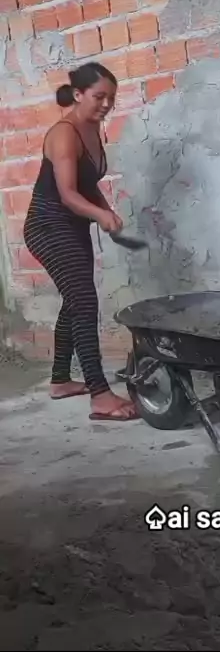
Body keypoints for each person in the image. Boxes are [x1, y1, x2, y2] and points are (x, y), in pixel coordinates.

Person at [23, 62, 138, 421]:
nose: (106, 104)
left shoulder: (92, 128)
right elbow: (69, 195)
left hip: (72, 226)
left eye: (111, 98)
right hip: (47, 225)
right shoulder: (64, 133)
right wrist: (100, 215)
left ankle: (60, 380)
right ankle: (100, 394)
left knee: (76, 299)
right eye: (99, 96)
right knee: (84, 300)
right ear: (78, 94)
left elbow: (88, 184)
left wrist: (107, 210)